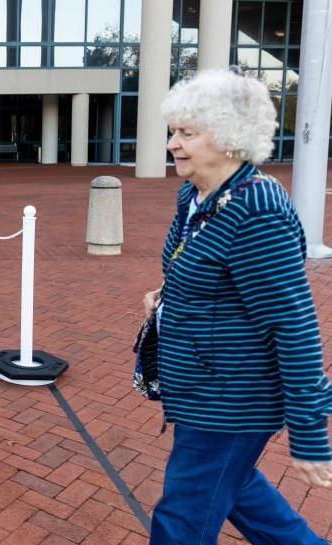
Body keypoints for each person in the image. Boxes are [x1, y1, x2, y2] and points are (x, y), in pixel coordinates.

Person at [142, 69, 332, 544]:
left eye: (187, 133)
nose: (172, 144)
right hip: (200, 388)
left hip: (230, 400)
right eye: (173, 132)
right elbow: (201, 271)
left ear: (230, 138)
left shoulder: (257, 208)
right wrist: (167, 298)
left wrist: (309, 436)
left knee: (181, 519)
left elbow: (294, 326)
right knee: (239, 488)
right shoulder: (195, 193)